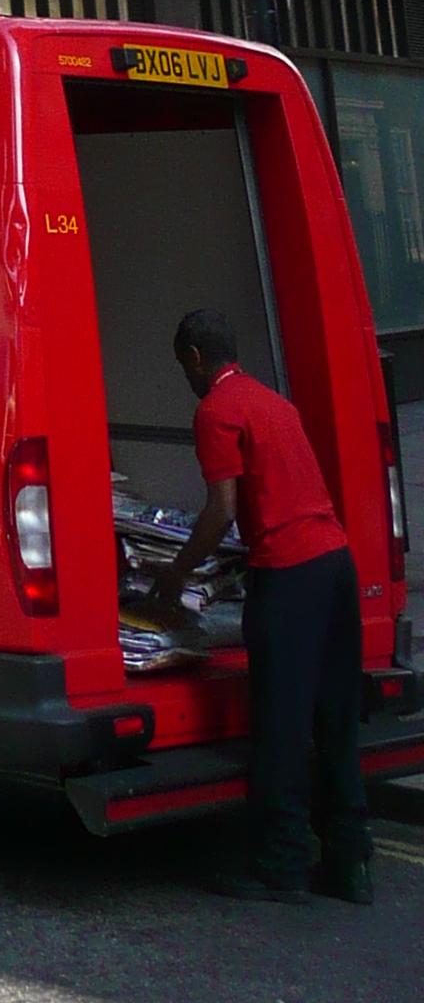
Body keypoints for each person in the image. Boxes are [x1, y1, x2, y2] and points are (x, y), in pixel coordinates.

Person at [152, 307, 371, 907]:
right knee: (334, 722)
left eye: (183, 367)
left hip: (289, 575)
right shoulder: (273, 402)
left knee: (279, 724)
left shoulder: (216, 410)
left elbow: (222, 508)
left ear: (197, 357)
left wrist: (176, 572)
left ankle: (282, 865)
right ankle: (351, 864)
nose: (187, 379)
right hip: (336, 566)